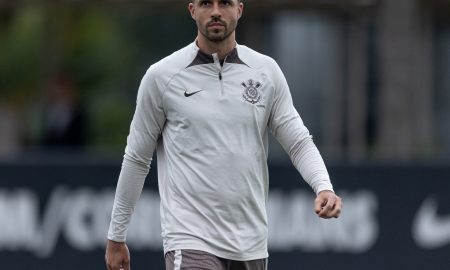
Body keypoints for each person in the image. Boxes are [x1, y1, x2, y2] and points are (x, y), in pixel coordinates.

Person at [105, 0, 342, 269]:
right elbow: (137, 158)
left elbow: (298, 142)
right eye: (207, 3)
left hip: (250, 244)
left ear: (239, 9)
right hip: (190, 239)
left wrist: (323, 186)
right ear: (192, 9)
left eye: (225, 3)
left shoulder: (266, 72)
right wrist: (116, 235)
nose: (216, 11)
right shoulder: (162, 77)